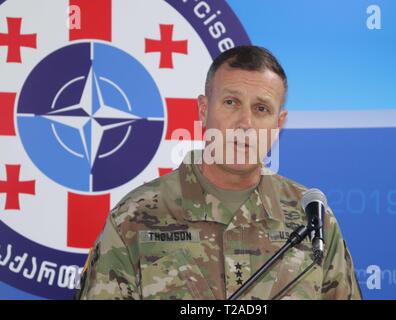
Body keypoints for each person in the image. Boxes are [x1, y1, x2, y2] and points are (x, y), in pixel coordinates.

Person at [75, 45, 362, 300]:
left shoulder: (310, 218)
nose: (245, 123)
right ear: (203, 109)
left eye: (261, 109)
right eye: (231, 103)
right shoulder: (134, 217)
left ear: (278, 123)